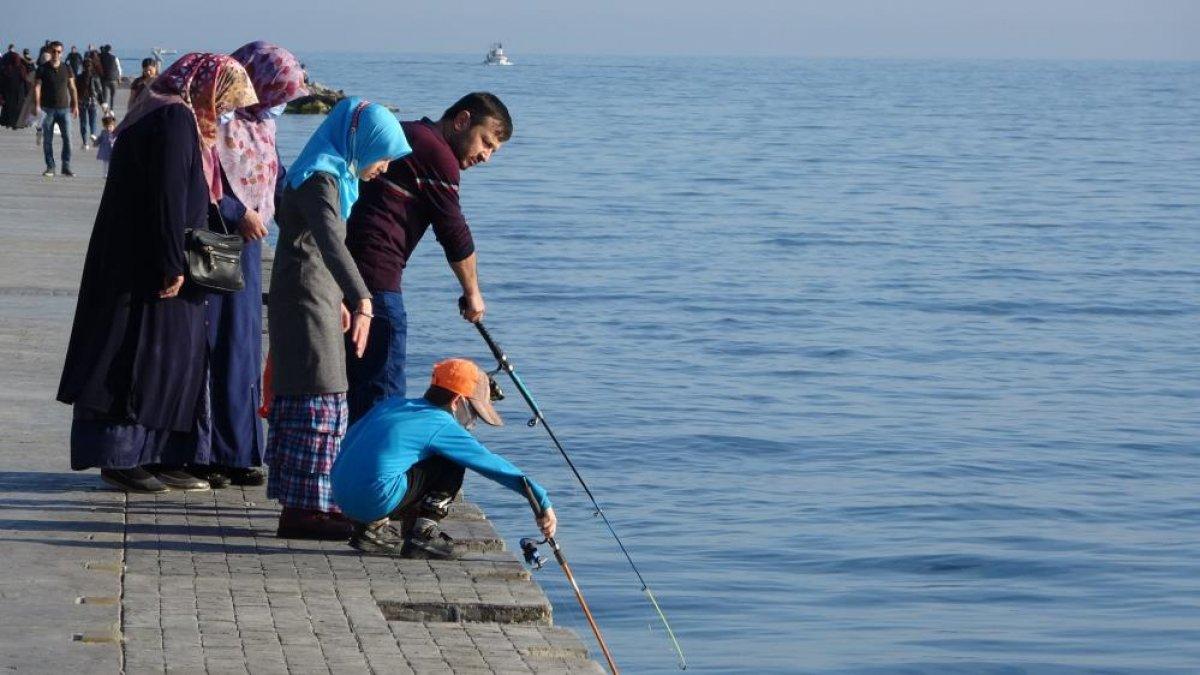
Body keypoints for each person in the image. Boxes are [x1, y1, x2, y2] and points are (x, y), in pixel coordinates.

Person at [56, 53, 257, 493]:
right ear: (204, 86)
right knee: (139, 358)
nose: (224, 110)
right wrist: (170, 264)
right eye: (224, 99)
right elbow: (165, 198)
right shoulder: (173, 120)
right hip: (148, 267)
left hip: (155, 260)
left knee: (172, 362)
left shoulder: (168, 114)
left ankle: (163, 452)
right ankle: (122, 458)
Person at [265, 96, 410, 539]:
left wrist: (343, 301)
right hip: (305, 298)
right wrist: (362, 298)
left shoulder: (332, 177)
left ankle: (311, 504)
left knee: (314, 396)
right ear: (359, 142)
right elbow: (330, 244)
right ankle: (306, 510)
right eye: (382, 157)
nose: (383, 168)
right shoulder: (321, 180)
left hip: (315, 295)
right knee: (321, 398)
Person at [343, 92, 513, 423]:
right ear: (462, 120)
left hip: (347, 274)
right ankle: (381, 471)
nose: (487, 156)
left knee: (354, 389)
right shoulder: (436, 153)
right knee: (383, 395)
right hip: (377, 278)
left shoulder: (408, 132)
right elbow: (453, 232)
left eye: (493, 150)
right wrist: (473, 294)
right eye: (486, 143)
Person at [188, 41, 307, 489]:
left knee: (242, 349)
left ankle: (239, 451)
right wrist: (239, 214)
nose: (276, 102)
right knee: (212, 348)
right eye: (275, 91)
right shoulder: (216, 120)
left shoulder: (261, 126)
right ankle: (206, 452)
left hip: (248, 250)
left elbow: (272, 177)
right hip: (215, 244)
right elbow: (204, 179)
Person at [331, 358, 556, 558]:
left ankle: (371, 530)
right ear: (457, 401)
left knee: (400, 460)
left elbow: (352, 443)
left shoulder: (393, 405)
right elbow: (492, 465)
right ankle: (423, 535)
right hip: (375, 499)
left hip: (342, 496)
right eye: (474, 412)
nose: (474, 421)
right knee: (452, 461)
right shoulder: (441, 423)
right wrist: (540, 499)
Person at [33, 41, 78, 177]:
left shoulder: (67, 68)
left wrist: (75, 105)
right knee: (48, 140)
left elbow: (72, 87)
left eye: (59, 51)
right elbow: (37, 87)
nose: (56, 54)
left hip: (64, 109)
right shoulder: (42, 68)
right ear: (49, 52)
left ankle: (66, 166)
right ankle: (50, 167)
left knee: (68, 139)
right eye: (53, 51)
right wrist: (37, 105)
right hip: (47, 110)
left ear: (62, 53)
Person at [0, 45, 31, 129]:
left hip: (9, 92)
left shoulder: (6, 68)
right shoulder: (21, 68)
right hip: (18, 92)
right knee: (17, 108)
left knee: (9, 108)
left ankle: (8, 123)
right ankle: (15, 124)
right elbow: (25, 80)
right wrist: (27, 92)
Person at [76, 56, 100, 148]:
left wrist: (74, 101)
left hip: (81, 101)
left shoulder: (78, 77)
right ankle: (93, 134)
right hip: (93, 101)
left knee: (83, 122)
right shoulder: (95, 77)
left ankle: (85, 143)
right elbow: (99, 91)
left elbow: (75, 90)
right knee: (93, 120)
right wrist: (103, 103)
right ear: (92, 66)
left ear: (82, 66)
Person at [98, 44, 120, 111]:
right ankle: (112, 109)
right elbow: (119, 68)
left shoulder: (101, 57)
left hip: (104, 79)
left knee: (105, 96)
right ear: (111, 50)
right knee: (112, 96)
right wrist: (119, 78)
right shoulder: (115, 57)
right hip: (114, 79)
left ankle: (105, 110)